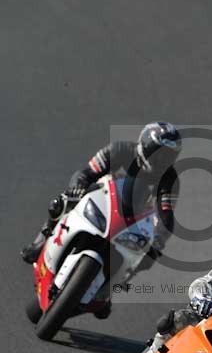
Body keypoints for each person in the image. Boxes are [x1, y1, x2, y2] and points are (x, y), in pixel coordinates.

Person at [21, 122, 182, 311]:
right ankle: (40, 241)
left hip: (133, 220)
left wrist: (158, 242)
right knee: (60, 202)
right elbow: (86, 173)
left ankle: (110, 289)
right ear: (145, 145)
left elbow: (165, 215)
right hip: (101, 199)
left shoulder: (170, 180)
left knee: (146, 259)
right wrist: (77, 187)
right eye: (159, 153)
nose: (162, 160)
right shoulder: (120, 150)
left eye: (169, 156)